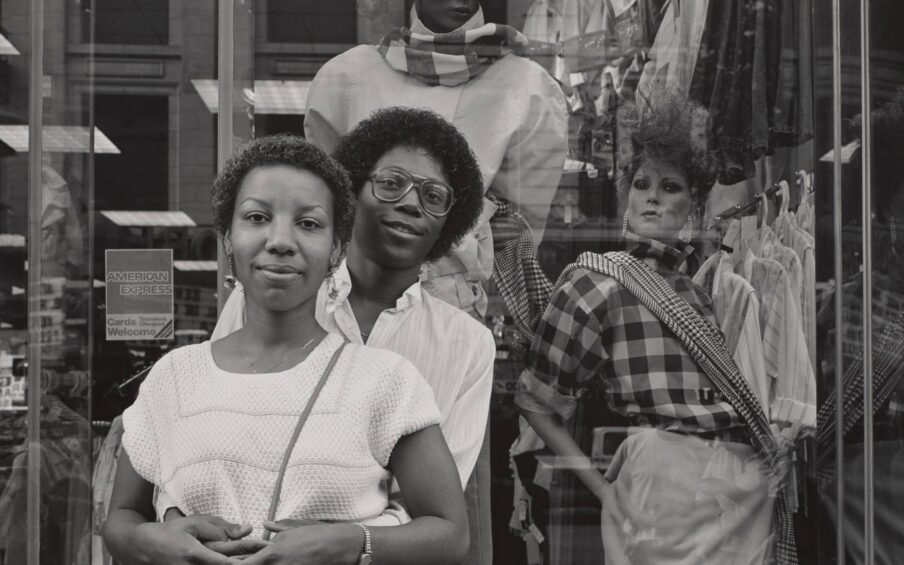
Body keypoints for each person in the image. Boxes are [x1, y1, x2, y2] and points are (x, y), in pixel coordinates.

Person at [102, 135, 469, 565]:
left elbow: (451, 534)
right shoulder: (173, 377)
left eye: (309, 224)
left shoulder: (385, 381)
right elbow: (121, 519)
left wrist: (352, 544)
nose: (280, 240)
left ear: (336, 250)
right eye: (257, 217)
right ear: (227, 240)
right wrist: (154, 543)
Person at [196, 106, 495, 547]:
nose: (412, 203)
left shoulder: (468, 344)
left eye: (434, 195)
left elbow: (434, 504)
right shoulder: (263, 297)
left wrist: (347, 539)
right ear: (353, 191)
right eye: (392, 183)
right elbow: (215, 434)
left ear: (448, 220)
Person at [514, 96, 795, 564]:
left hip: (733, 484)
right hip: (661, 473)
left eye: (670, 187)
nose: (652, 197)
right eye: (641, 184)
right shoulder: (596, 279)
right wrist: (604, 490)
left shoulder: (696, 289)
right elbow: (537, 402)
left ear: (694, 205)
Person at [304, 0, 568, 318]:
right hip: (351, 291)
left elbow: (519, 227)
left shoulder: (529, 88)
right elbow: (327, 200)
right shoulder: (347, 77)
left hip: (453, 301)